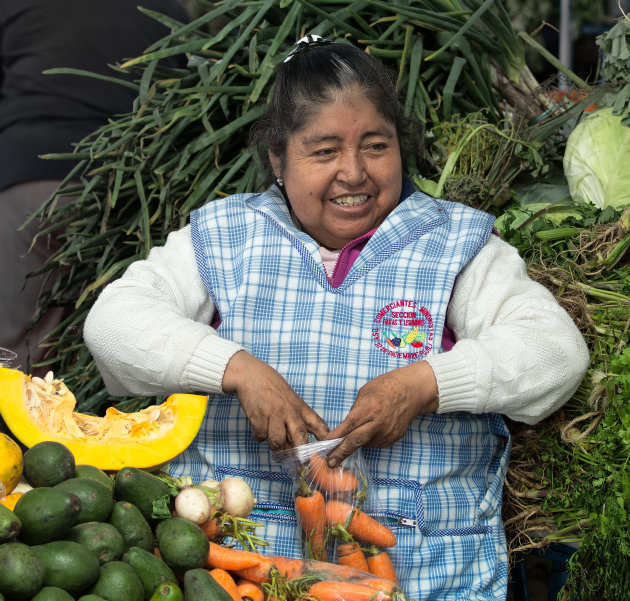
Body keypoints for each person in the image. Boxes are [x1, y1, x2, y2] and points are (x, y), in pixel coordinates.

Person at [83, 35, 590, 600]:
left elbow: (555, 351)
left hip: (426, 576)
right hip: (241, 576)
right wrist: (236, 368)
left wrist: (425, 384)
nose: (354, 173)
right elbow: (112, 324)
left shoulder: (454, 244)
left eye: (376, 146)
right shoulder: (225, 238)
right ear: (278, 158)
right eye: (324, 152)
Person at [0, 0, 190, 375]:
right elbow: (178, 93)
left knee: (11, 348)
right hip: (120, 195)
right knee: (94, 349)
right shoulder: (163, 6)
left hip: (25, 181)